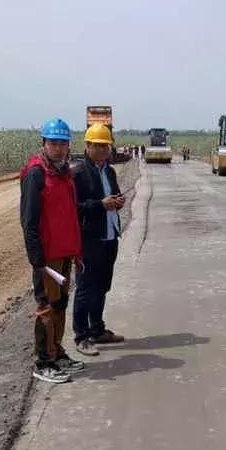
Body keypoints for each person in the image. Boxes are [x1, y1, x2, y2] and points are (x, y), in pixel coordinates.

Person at [20, 118, 86, 383]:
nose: (58, 149)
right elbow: (29, 220)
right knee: (46, 307)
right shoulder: (36, 174)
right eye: (53, 143)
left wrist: (76, 250)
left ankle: (57, 353)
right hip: (47, 257)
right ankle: (43, 362)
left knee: (60, 304)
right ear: (44, 144)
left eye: (62, 144)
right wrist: (36, 257)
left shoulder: (64, 173)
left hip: (65, 251)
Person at [72, 123, 127, 356]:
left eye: (106, 146)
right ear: (87, 146)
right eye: (99, 146)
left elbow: (111, 197)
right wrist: (100, 205)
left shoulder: (109, 171)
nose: (104, 151)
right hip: (89, 239)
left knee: (102, 286)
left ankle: (97, 329)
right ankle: (81, 336)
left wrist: (118, 201)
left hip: (109, 236)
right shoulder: (78, 174)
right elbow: (73, 208)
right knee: (85, 288)